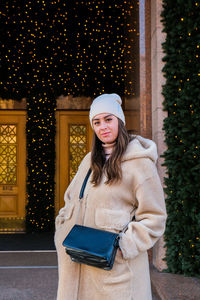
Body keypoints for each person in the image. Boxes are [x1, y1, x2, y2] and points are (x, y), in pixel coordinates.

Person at [54, 93, 167, 300]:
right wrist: (62, 225)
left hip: (115, 273)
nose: (102, 126)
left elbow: (155, 218)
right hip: (77, 263)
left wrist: (123, 246)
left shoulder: (139, 163)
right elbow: (70, 198)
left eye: (108, 119)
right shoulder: (88, 162)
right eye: (96, 122)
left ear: (120, 121)